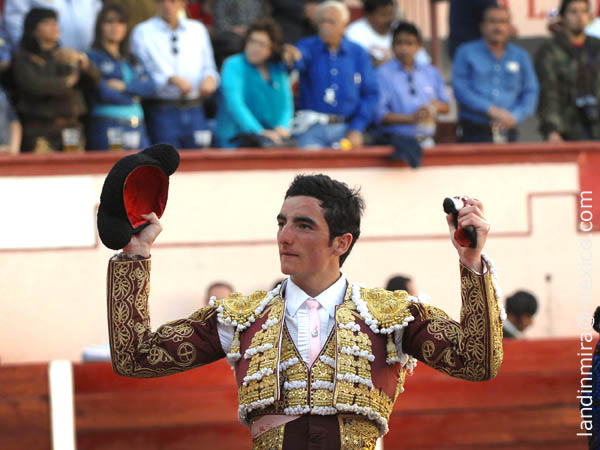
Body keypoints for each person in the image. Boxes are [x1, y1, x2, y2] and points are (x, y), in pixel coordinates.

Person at [106, 172, 505, 448]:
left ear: (341, 242)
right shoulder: (238, 316)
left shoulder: (393, 315)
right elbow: (135, 356)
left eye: (303, 225)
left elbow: (477, 362)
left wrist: (471, 262)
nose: (284, 236)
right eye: (282, 223)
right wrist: (136, 254)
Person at [284, 1, 379, 149]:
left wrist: (357, 128)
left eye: (331, 22)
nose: (326, 26)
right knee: (309, 172)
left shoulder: (358, 52)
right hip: (311, 128)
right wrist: (291, 57)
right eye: (322, 21)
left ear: (344, 26)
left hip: (347, 129)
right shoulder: (307, 46)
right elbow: (298, 60)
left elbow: (371, 93)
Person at [131, 0, 219, 148]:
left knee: (200, 164)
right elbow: (140, 73)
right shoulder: (142, 31)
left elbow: (209, 67)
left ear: (182, 3)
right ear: (154, 3)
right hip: (163, 109)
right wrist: (170, 79)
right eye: (161, 1)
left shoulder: (197, 29)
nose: (167, 5)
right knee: (165, 164)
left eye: (172, 1)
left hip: (195, 108)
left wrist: (210, 78)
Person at [11, 8, 101, 152]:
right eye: (47, 23)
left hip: (72, 128)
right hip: (40, 131)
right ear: (33, 29)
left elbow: (95, 82)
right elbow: (36, 86)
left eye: (56, 23)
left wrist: (83, 62)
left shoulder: (68, 55)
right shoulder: (23, 58)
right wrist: (68, 82)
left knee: (76, 172)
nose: (54, 27)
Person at [452, 4, 539, 143]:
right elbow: (461, 89)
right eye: (492, 21)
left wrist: (514, 116)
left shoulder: (520, 56)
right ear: (482, 25)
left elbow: (531, 91)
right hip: (474, 131)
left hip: (509, 129)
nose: (498, 27)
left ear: (510, 26)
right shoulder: (466, 52)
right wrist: (491, 110)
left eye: (503, 22)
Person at [375, 21, 449, 167]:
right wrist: (411, 118)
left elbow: (446, 106)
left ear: (419, 46)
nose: (404, 48)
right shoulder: (381, 74)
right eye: (399, 43)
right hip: (395, 143)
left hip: (428, 142)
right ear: (392, 46)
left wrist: (432, 109)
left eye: (409, 43)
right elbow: (379, 115)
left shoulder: (431, 72)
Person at [86, 4, 155, 151]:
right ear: (100, 27)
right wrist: (134, 95)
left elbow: (151, 86)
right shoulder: (92, 58)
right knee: (110, 171)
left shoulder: (132, 59)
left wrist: (124, 87)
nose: (115, 27)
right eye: (109, 22)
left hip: (138, 125)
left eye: (121, 22)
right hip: (107, 125)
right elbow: (102, 92)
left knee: (143, 170)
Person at [215, 19, 294, 149]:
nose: (254, 48)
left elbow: (286, 104)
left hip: (271, 140)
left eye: (262, 44)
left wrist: (283, 127)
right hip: (235, 140)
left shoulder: (277, 68)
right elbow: (235, 103)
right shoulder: (233, 64)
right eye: (252, 41)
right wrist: (259, 131)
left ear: (272, 48)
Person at [536, 0, 600, 141]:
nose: (579, 16)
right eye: (573, 11)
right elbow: (548, 92)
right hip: (567, 126)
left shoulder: (596, 47)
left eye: (583, 11)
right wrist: (552, 129)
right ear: (562, 17)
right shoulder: (550, 50)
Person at [345, 0, 430, 67]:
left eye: (391, 14)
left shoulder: (398, 30)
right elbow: (365, 64)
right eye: (383, 15)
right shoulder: (355, 33)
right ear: (368, 15)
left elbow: (423, 59)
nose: (389, 19)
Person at [5, 0, 102, 52]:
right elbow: (15, 19)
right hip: (44, 59)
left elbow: (99, 14)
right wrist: (29, 50)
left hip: (87, 56)